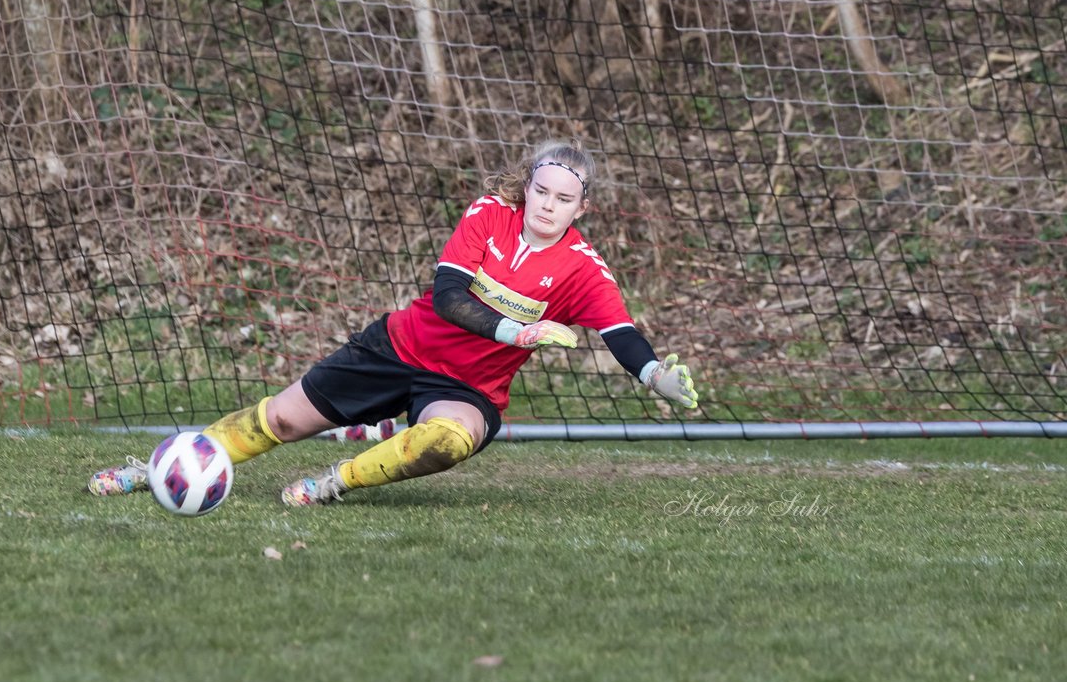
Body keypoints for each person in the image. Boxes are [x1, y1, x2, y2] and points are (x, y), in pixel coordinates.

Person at [88, 139, 698, 506]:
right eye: (541, 191)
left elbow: (619, 332)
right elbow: (449, 295)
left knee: (445, 442)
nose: (548, 205)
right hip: (399, 348)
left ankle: (334, 483)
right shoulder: (490, 213)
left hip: (466, 390)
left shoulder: (582, 267)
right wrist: (517, 332)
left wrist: (652, 375)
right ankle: (159, 470)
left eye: (563, 199)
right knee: (280, 418)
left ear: (581, 207)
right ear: (529, 187)